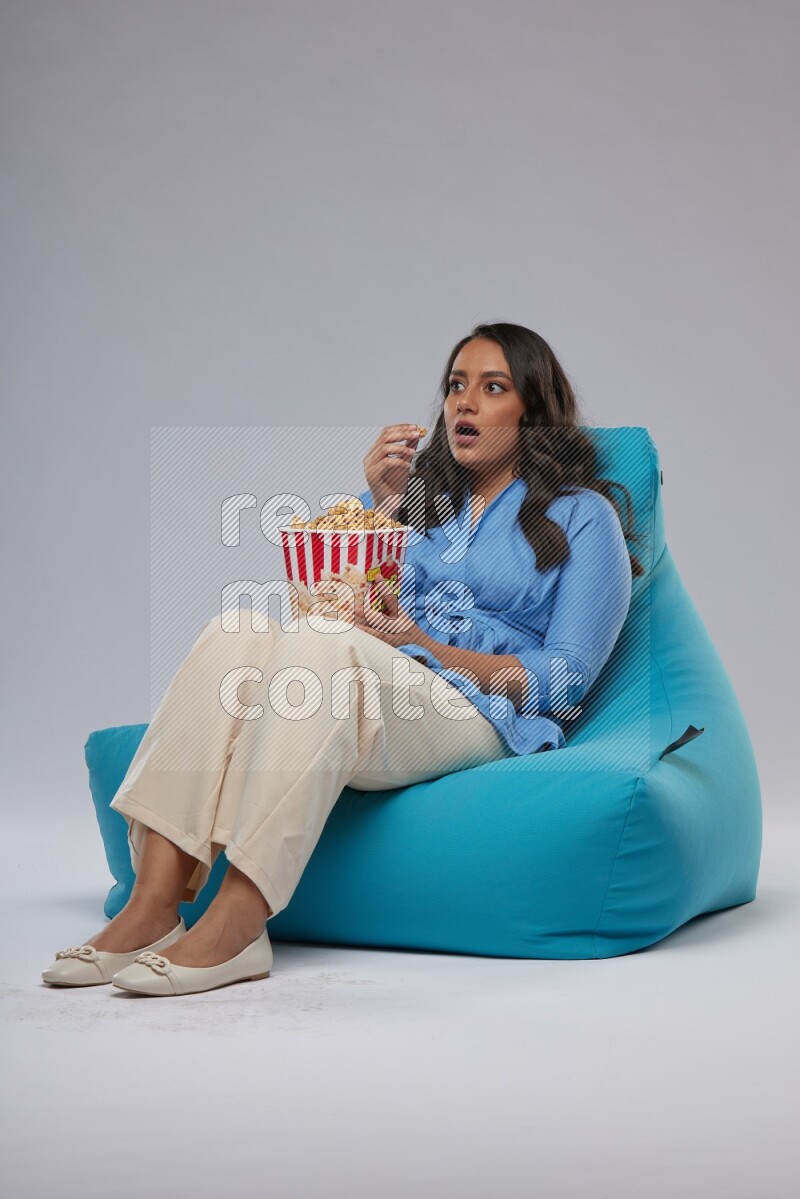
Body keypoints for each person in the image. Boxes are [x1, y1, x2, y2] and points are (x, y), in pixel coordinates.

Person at [42, 321, 643, 996]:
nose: (463, 404)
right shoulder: (417, 504)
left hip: (480, 714)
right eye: (455, 386)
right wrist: (384, 504)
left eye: (492, 387)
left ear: (531, 412)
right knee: (237, 627)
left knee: (326, 645)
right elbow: (329, 606)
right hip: (365, 682)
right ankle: (151, 906)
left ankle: (240, 918)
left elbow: (563, 681)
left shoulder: (583, 518)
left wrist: (419, 643)